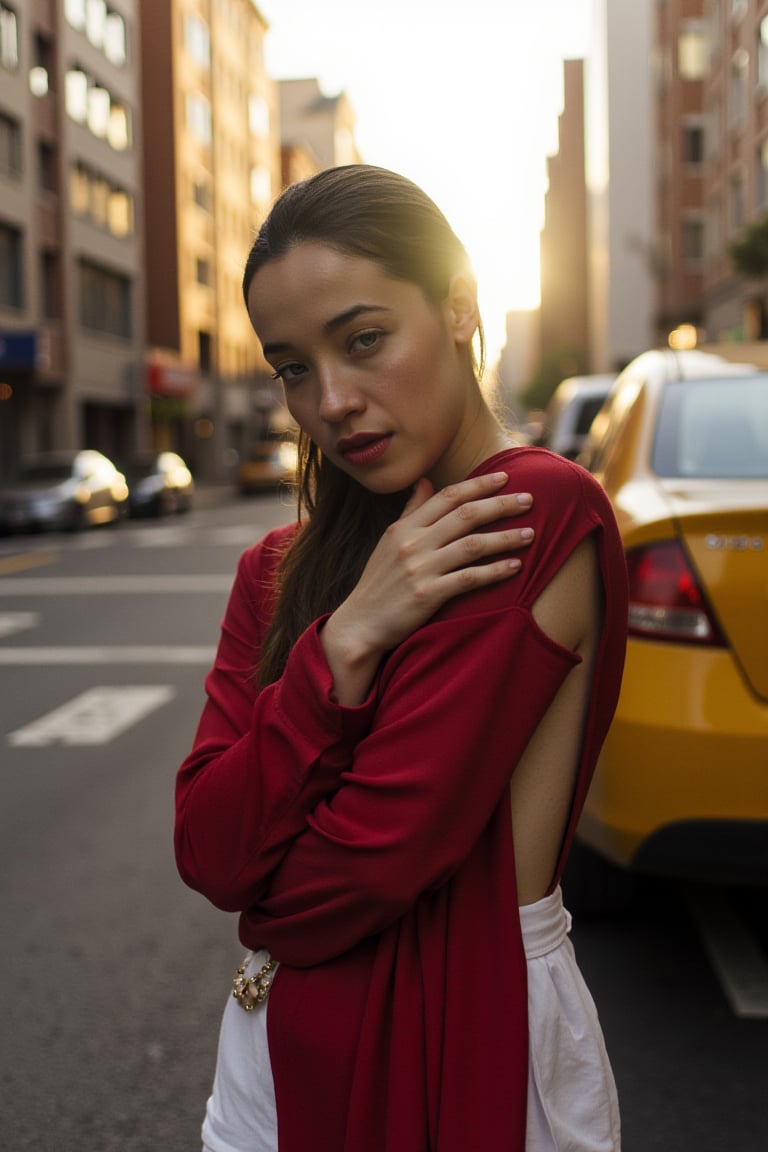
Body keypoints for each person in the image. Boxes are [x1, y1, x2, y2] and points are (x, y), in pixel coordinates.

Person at [175, 164, 628, 1152]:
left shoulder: (528, 511)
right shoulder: (277, 568)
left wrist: (263, 895)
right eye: (293, 365)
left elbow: (372, 866)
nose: (331, 399)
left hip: (457, 1029)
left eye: (366, 339)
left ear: (459, 308)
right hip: (262, 1044)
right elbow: (208, 848)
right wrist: (344, 642)